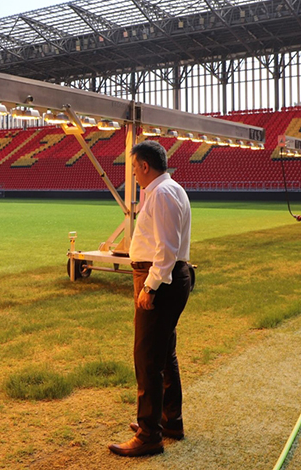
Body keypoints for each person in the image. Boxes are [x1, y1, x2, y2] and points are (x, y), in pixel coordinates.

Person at [108, 140, 192, 457]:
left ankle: (149, 435)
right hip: (163, 277)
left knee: (147, 358)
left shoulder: (163, 193)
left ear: (145, 166)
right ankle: (168, 421)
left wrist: (150, 285)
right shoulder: (167, 190)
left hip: (160, 280)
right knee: (163, 353)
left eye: (134, 169)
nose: (133, 175)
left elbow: (166, 248)